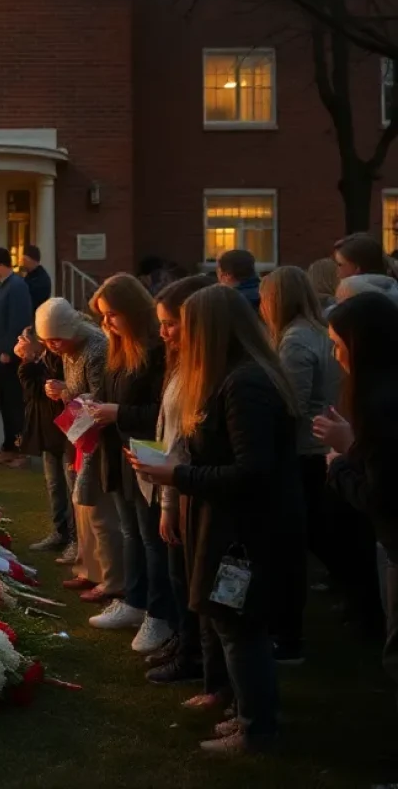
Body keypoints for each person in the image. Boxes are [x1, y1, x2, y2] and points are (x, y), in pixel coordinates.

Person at [131, 284, 299, 755]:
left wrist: (176, 473)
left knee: (238, 624)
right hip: (226, 521)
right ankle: (246, 711)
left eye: (188, 328)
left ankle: (257, 728)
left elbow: (252, 470)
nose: (177, 338)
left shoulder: (244, 383)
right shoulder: (232, 376)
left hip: (244, 529)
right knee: (231, 621)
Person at [314, 293, 398, 714]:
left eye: (338, 343)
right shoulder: (380, 397)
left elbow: (378, 495)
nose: (335, 354)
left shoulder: (383, 405)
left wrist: (341, 460)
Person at [84, 274, 171, 655]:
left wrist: (118, 412)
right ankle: (135, 601)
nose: (106, 324)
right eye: (102, 317)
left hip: (146, 452)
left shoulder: (155, 351)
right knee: (131, 532)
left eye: (112, 315)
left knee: (152, 537)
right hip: (118, 452)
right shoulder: (118, 350)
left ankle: (159, 611)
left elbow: (162, 413)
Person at [260, 265, 340, 663]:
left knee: (298, 540)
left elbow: (290, 403)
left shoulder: (293, 341)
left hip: (304, 449)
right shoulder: (318, 331)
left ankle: (289, 634)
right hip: (319, 443)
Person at [25, 298, 121, 593]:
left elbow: (98, 395)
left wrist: (66, 390)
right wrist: (63, 392)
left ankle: (109, 578)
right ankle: (88, 568)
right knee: (80, 503)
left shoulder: (95, 346)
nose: (53, 345)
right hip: (79, 432)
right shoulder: (69, 346)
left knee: (95, 506)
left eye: (56, 339)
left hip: (98, 434)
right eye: (47, 340)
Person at [147, 275, 214, 688]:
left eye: (171, 323)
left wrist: (169, 501)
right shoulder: (180, 361)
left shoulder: (201, 369)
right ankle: (185, 642)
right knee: (177, 573)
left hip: (182, 484)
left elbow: (183, 441)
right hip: (169, 477)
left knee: (187, 576)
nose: (163, 332)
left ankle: (194, 654)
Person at [16, 299, 73, 549]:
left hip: (66, 429)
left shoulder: (59, 357)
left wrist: (33, 362)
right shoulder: (38, 361)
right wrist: (27, 361)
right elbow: (30, 391)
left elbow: (45, 388)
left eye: (23, 339)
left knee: (72, 486)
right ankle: (60, 532)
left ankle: (75, 537)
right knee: (54, 484)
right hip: (48, 431)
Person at [0, 247, 34, 466]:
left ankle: (21, 449)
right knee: (4, 403)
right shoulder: (0, 286)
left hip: (8, 356)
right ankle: (8, 446)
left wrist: (8, 349)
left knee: (15, 403)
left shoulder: (17, 286)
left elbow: (18, 319)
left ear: (0, 264)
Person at [21, 245, 52, 311]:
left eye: (25, 260)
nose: (23, 263)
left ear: (32, 260)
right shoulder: (29, 276)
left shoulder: (41, 279)